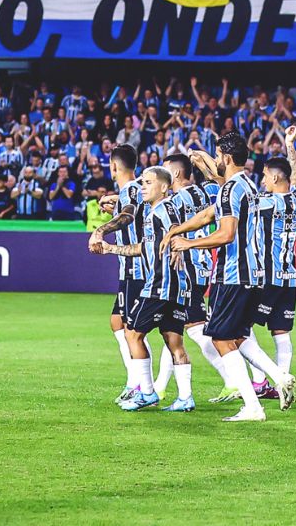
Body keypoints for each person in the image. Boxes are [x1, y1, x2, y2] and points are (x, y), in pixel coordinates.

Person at [164, 132, 296, 421]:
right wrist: (178, 230)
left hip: (235, 274)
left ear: (225, 157)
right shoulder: (245, 185)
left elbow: (225, 233)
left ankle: (252, 406)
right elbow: (209, 215)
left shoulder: (229, 189)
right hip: (255, 274)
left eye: (217, 155)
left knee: (221, 339)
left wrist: (189, 242)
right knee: (238, 336)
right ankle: (279, 376)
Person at [90, 166, 192, 412]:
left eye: (148, 183)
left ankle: (146, 392)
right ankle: (185, 398)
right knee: (173, 341)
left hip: (159, 285)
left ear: (164, 187)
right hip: (177, 286)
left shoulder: (163, 210)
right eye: (143, 182)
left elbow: (177, 228)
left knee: (133, 333)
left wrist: (179, 245)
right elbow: (143, 248)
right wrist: (111, 249)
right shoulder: (153, 214)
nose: (143, 187)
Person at [150, 153, 228, 403]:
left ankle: (234, 379)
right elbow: (217, 181)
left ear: (174, 174)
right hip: (205, 263)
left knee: (194, 328)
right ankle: (158, 387)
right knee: (172, 328)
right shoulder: (205, 192)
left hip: (188, 264)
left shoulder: (176, 200)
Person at [86, 145, 148, 405]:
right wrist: (114, 206)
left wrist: (101, 230)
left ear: (113, 166)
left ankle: (142, 386)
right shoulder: (129, 192)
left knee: (134, 331)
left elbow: (128, 216)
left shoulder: (132, 189)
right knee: (117, 323)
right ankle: (135, 381)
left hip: (138, 269)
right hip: (128, 269)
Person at [250, 128, 296, 396]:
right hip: (289, 277)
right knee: (281, 333)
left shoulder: (265, 203)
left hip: (267, 277)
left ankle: (260, 382)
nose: (262, 181)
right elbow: (294, 176)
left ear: (273, 177)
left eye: (264, 177)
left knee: (240, 328)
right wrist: (289, 145)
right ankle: (280, 385)